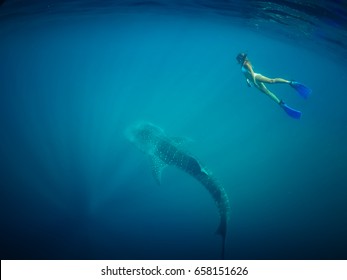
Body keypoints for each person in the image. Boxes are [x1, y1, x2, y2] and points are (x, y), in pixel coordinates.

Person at [236, 53, 311, 119]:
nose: (238, 61)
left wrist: (254, 81)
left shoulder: (246, 64)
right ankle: (281, 103)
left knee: (271, 81)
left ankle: (290, 82)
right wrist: (247, 81)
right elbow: (246, 74)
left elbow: (252, 72)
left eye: (239, 59)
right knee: (267, 93)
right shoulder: (242, 65)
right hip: (253, 81)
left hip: (256, 78)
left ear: (241, 58)